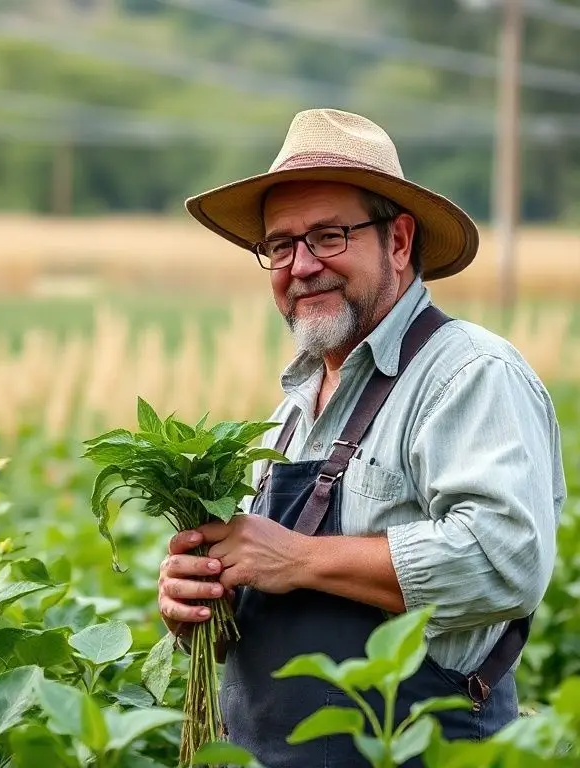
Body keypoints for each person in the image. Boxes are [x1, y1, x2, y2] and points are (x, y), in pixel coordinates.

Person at [157, 108, 566, 767]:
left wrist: (295, 559)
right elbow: (267, 589)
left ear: (399, 242)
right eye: (280, 246)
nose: (301, 265)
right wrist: (200, 601)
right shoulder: (286, 415)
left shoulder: (467, 374)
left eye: (328, 236)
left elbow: (504, 560)